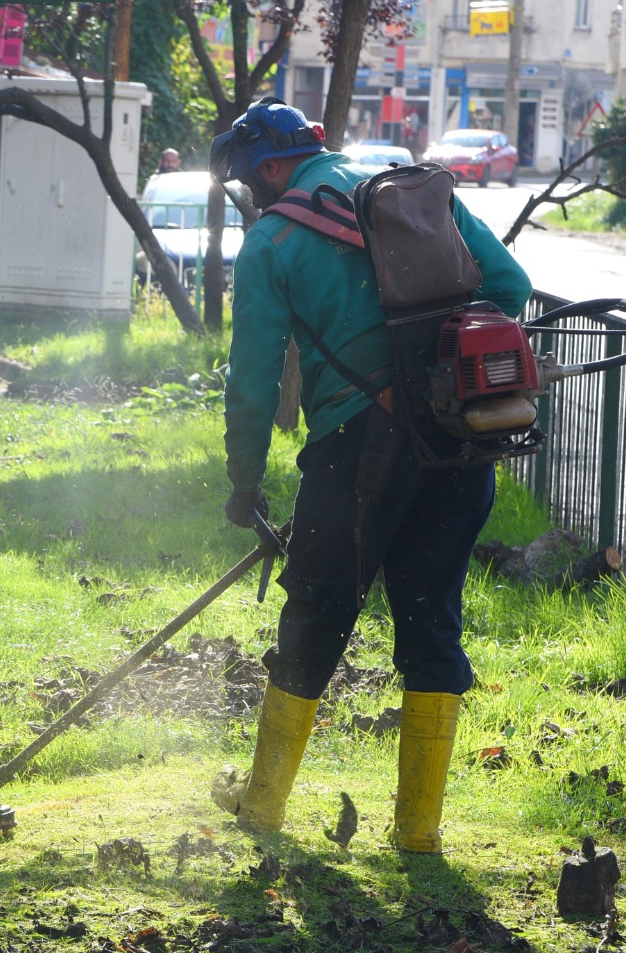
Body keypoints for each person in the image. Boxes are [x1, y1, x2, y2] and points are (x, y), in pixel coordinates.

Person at [207, 98, 531, 851]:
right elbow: (509, 286)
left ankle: (263, 809)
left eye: (255, 181)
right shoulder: (409, 188)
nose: (257, 195)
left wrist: (244, 483)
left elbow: (252, 379)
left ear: (273, 167)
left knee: (315, 616)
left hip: (358, 453)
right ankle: (417, 833)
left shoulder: (273, 240)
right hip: (459, 444)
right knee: (432, 620)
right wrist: (437, 375)